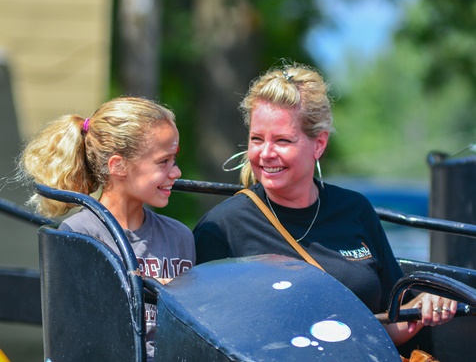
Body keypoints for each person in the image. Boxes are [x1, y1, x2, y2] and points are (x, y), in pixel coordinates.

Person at [193, 62, 456, 347]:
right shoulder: (220, 228)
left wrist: (425, 305)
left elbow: (385, 328)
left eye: (282, 140)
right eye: (257, 139)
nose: (266, 153)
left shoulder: (355, 210)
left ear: (319, 144)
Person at [17, 96, 196, 361]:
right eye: (163, 162)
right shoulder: (79, 236)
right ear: (118, 166)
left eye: (175, 160)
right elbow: (78, 336)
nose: (176, 172)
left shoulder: (180, 236)